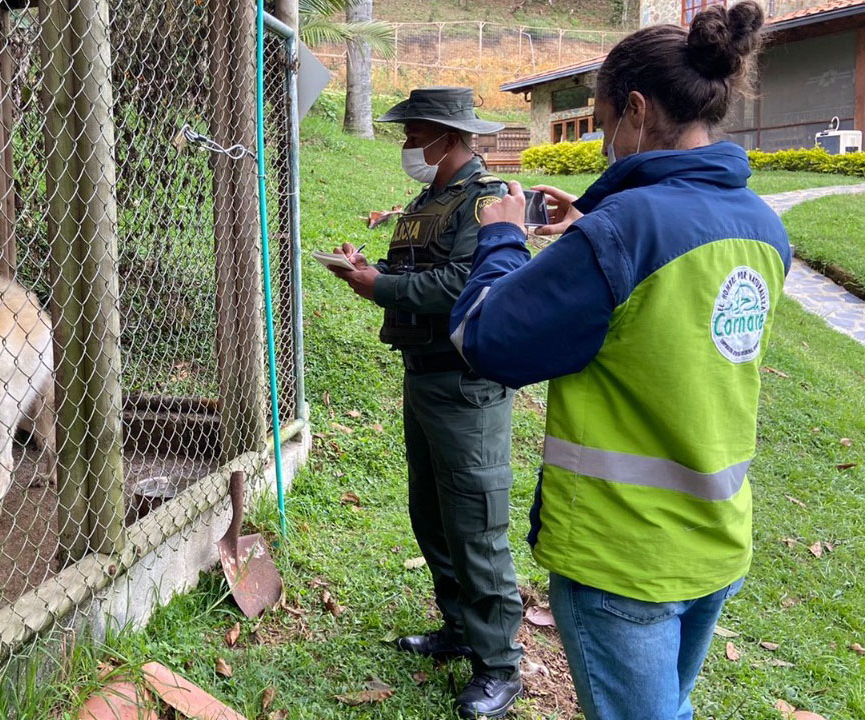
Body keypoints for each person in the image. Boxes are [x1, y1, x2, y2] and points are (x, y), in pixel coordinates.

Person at [448, 3, 785, 719]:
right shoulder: (762, 226)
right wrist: (591, 237)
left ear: (634, 109)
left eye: (601, 122)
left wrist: (505, 239)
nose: (603, 140)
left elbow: (485, 338)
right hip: (716, 539)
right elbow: (668, 327)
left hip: (625, 556)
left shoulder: (625, 231)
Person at [331, 86, 523, 719]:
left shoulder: (485, 200)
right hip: (424, 377)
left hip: (467, 384)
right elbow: (416, 264)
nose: (408, 145)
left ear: (445, 134)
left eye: (413, 133)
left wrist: (379, 284)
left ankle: (500, 667)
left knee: (477, 525)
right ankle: (461, 630)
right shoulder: (428, 200)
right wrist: (370, 267)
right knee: (433, 515)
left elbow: (465, 282)